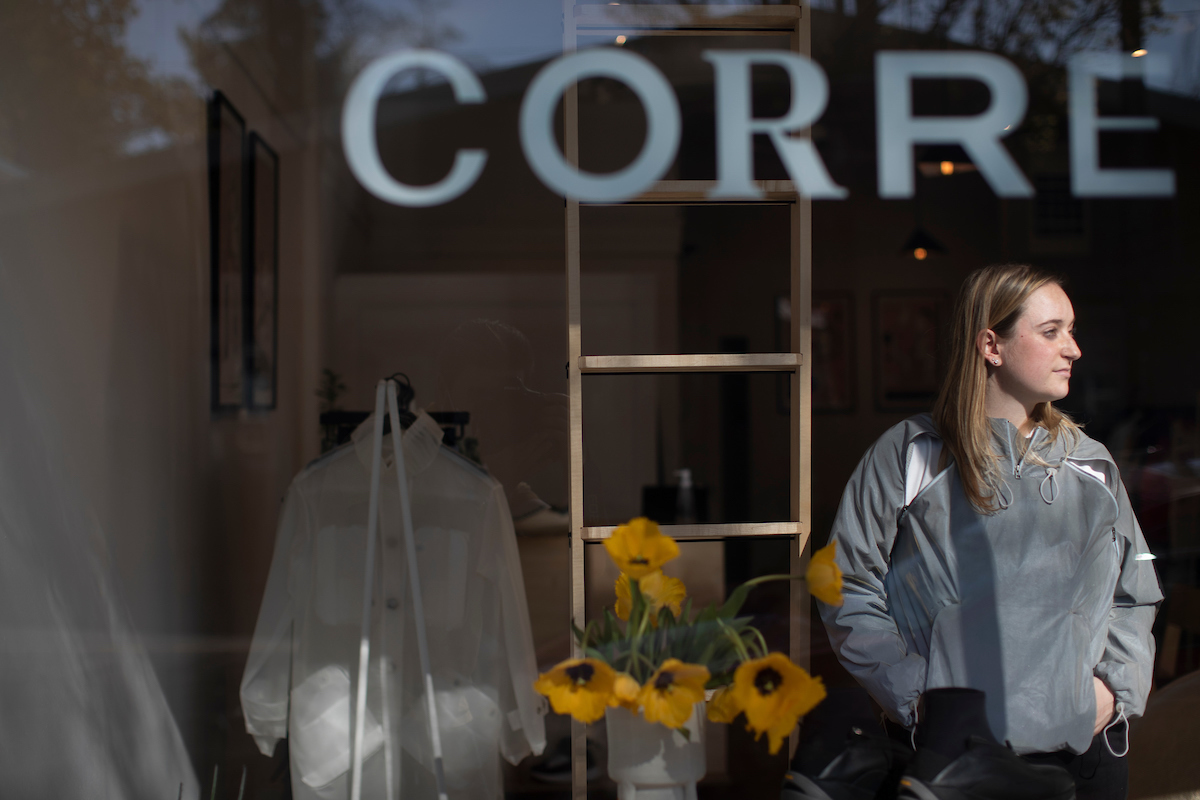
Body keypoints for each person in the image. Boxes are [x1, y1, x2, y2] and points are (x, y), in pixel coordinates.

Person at [788, 265, 1162, 800]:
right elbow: (844, 585)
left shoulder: (1092, 463)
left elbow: (1135, 591)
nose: (1074, 349)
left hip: (1084, 760)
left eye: (1072, 330)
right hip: (949, 762)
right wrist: (917, 696)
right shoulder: (910, 454)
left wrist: (1113, 691)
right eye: (1052, 331)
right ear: (992, 345)